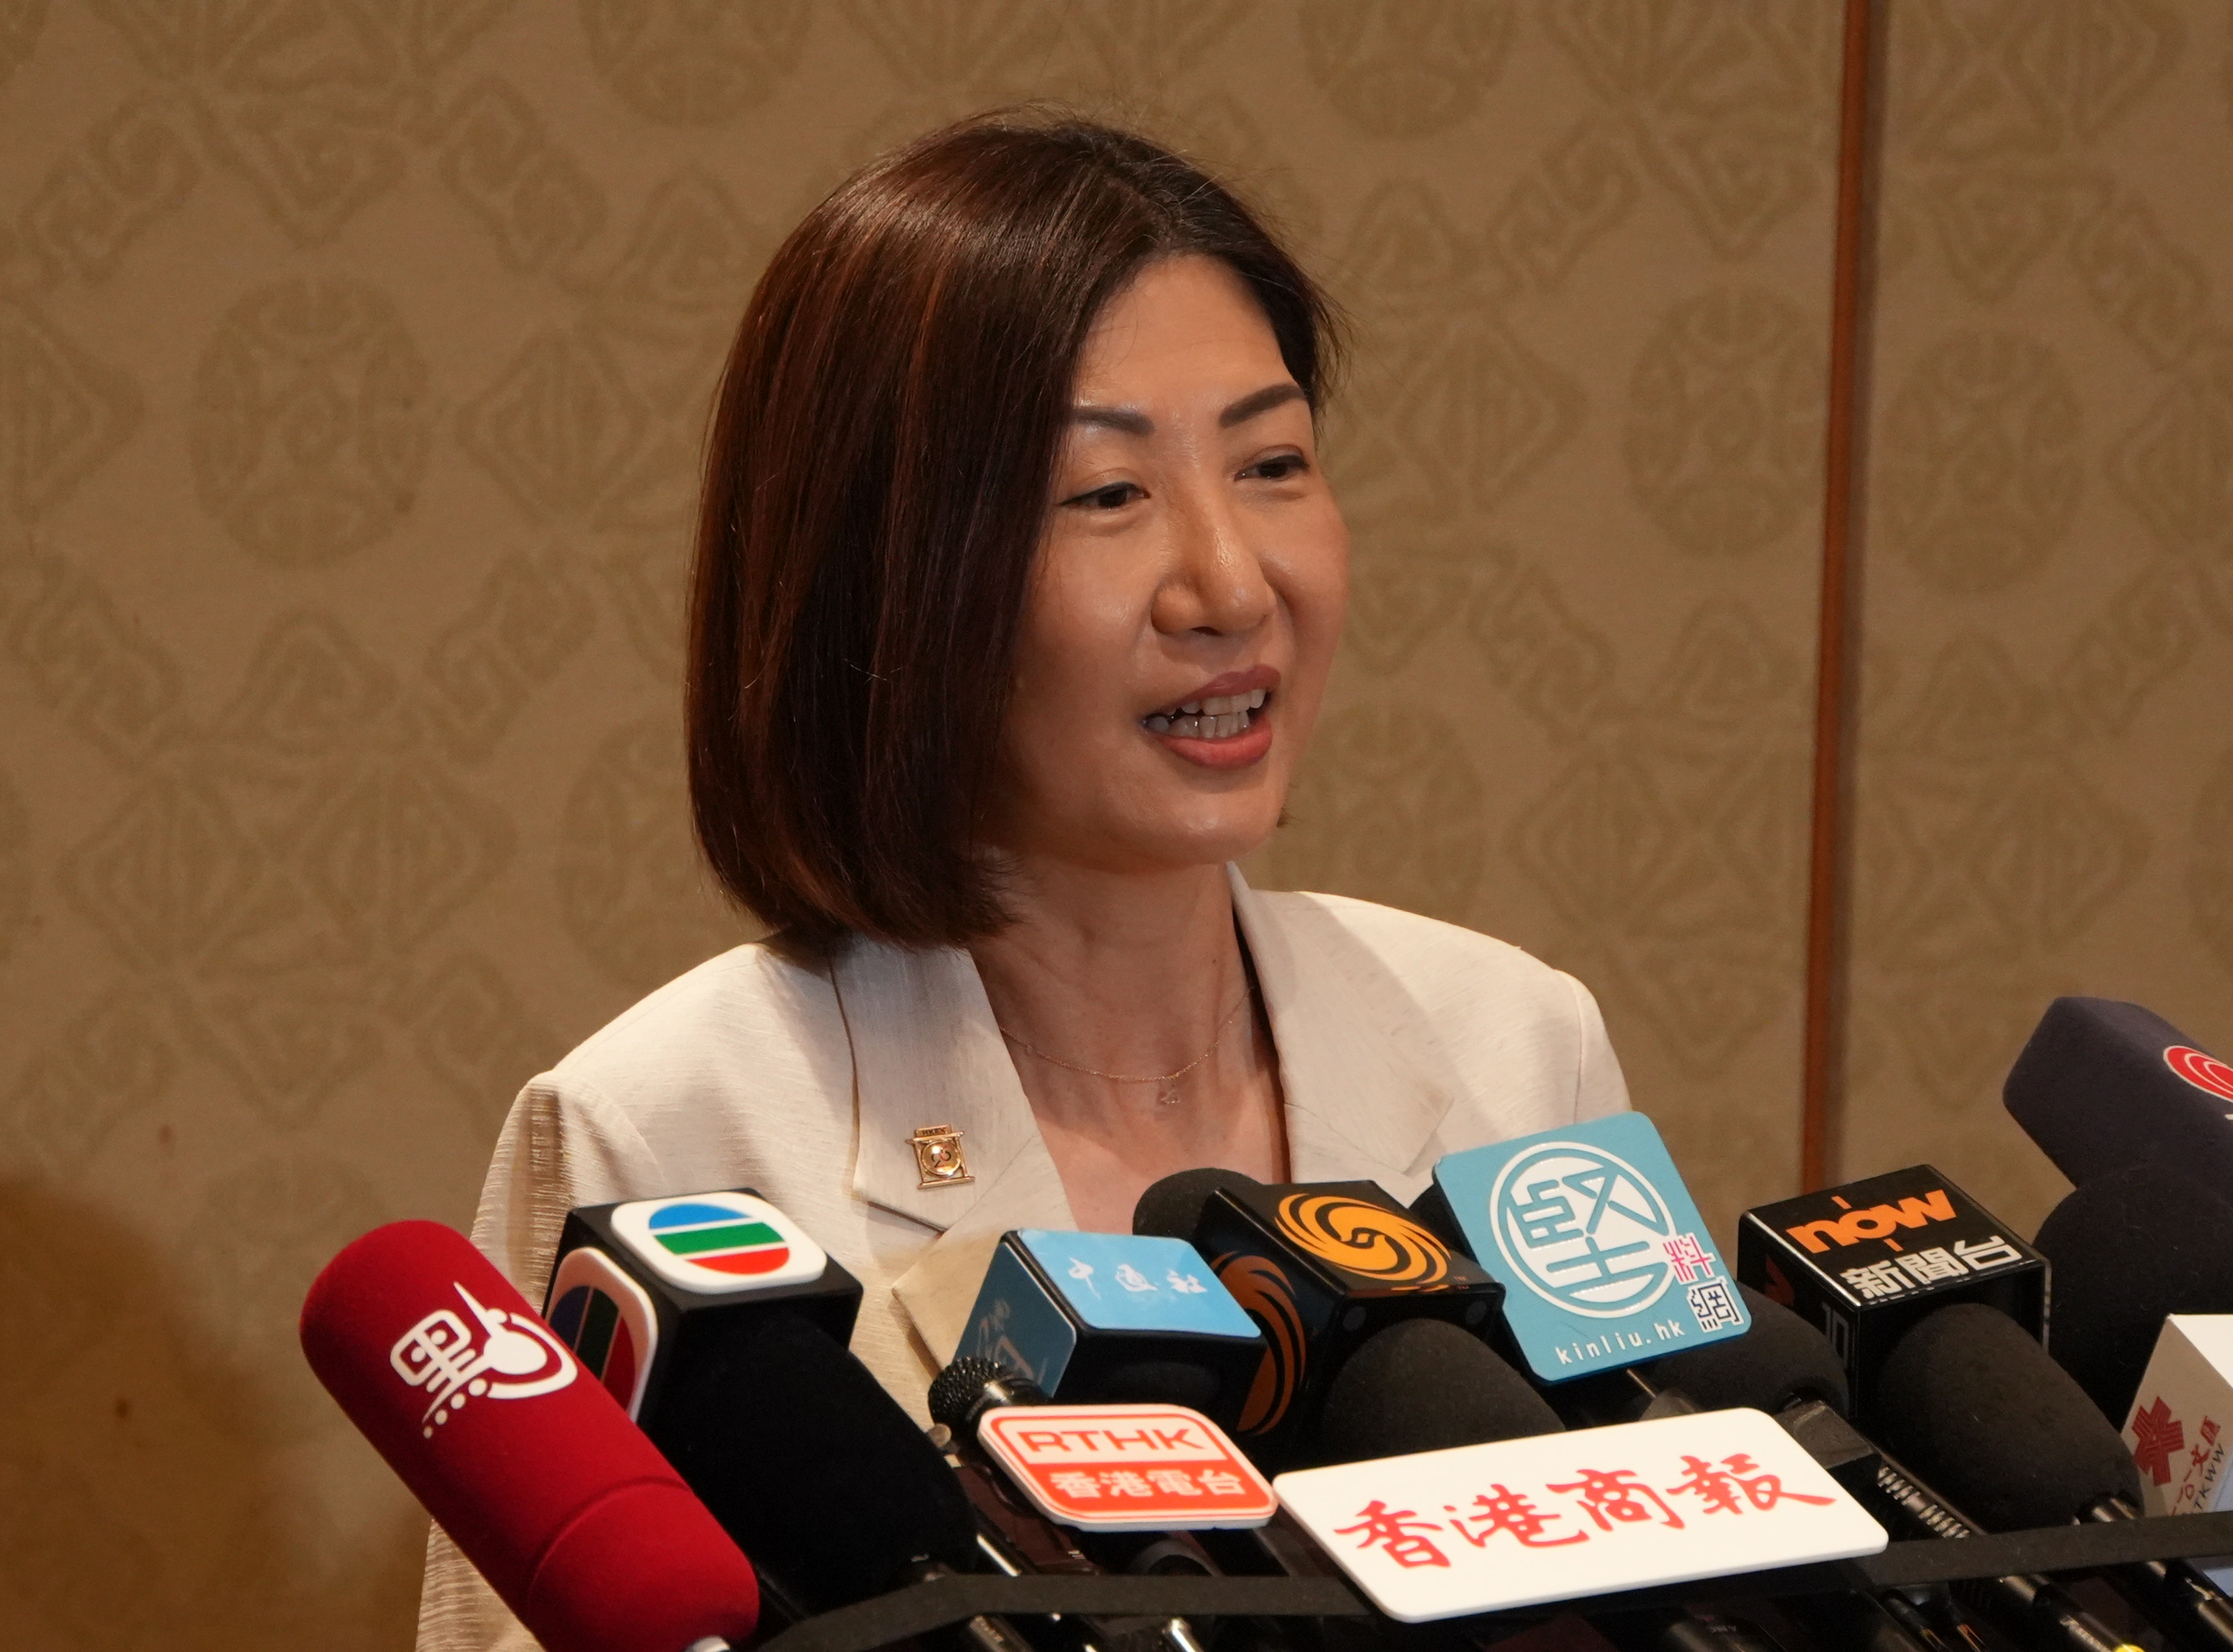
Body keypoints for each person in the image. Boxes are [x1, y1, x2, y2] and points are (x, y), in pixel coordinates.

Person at [416, 111, 1629, 1649]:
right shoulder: (668, 1135)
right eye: (1106, 495)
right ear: (887, 576)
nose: (1230, 584)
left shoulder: (1513, 1042)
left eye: (1272, 464)